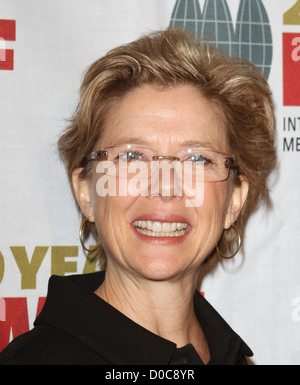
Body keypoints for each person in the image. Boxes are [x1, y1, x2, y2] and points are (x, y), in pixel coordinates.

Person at [0, 28, 276, 365]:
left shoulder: (234, 358)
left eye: (197, 159)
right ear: (86, 192)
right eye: (132, 157)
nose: (163, 187)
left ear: (234, 200)